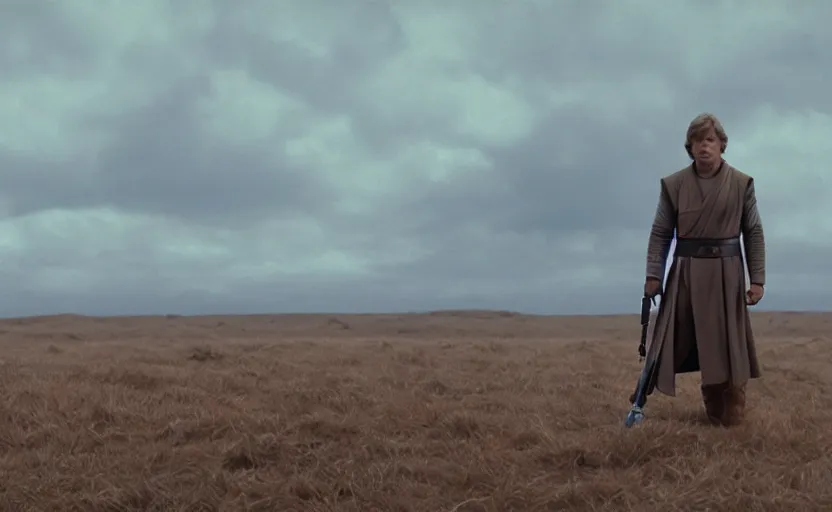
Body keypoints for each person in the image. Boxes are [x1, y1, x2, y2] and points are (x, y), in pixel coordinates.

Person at [631, 112, 766, 427]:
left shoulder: (741, 183)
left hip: (728, 273)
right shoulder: (673, 185)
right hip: (686, 273)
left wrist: (757, 280)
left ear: (721, 145)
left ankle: (732, 410)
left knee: (728, 342)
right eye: (697, 140)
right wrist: (654, 275)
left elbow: (754, 232)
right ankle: (711, 404)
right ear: (689, 147)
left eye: (709, 140)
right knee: (695, 340)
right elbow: (661, 232)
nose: (703, 146)